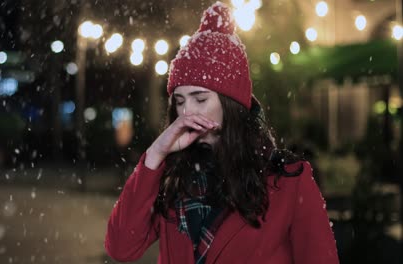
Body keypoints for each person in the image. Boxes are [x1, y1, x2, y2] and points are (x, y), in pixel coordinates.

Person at [105, 2, 339, 263]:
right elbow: (121, 247)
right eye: (179, 101)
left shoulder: (287, 180)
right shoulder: (173, 178)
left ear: (231, 105)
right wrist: (156, 153)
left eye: (200, 99)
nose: (187, 112)